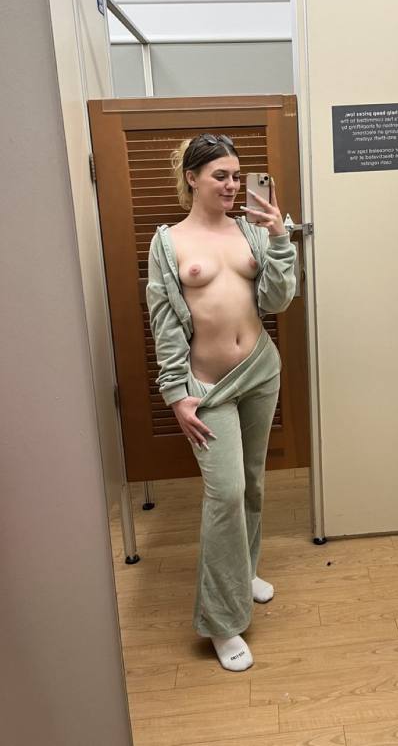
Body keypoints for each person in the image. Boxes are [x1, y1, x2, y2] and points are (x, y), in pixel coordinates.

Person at [146, 133, 297, 671]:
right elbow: (164, 321)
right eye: (220, 176)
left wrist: (279, 237)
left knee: (252, 483)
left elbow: (278, 299)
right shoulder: (169, 243)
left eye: (237, 175)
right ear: (192, 178)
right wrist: (176, 393)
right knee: (226, 493)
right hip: (207, 386)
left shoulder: (251, 231)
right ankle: (222, 620)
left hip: (259, 371)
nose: (233, 185)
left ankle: (243, 571)